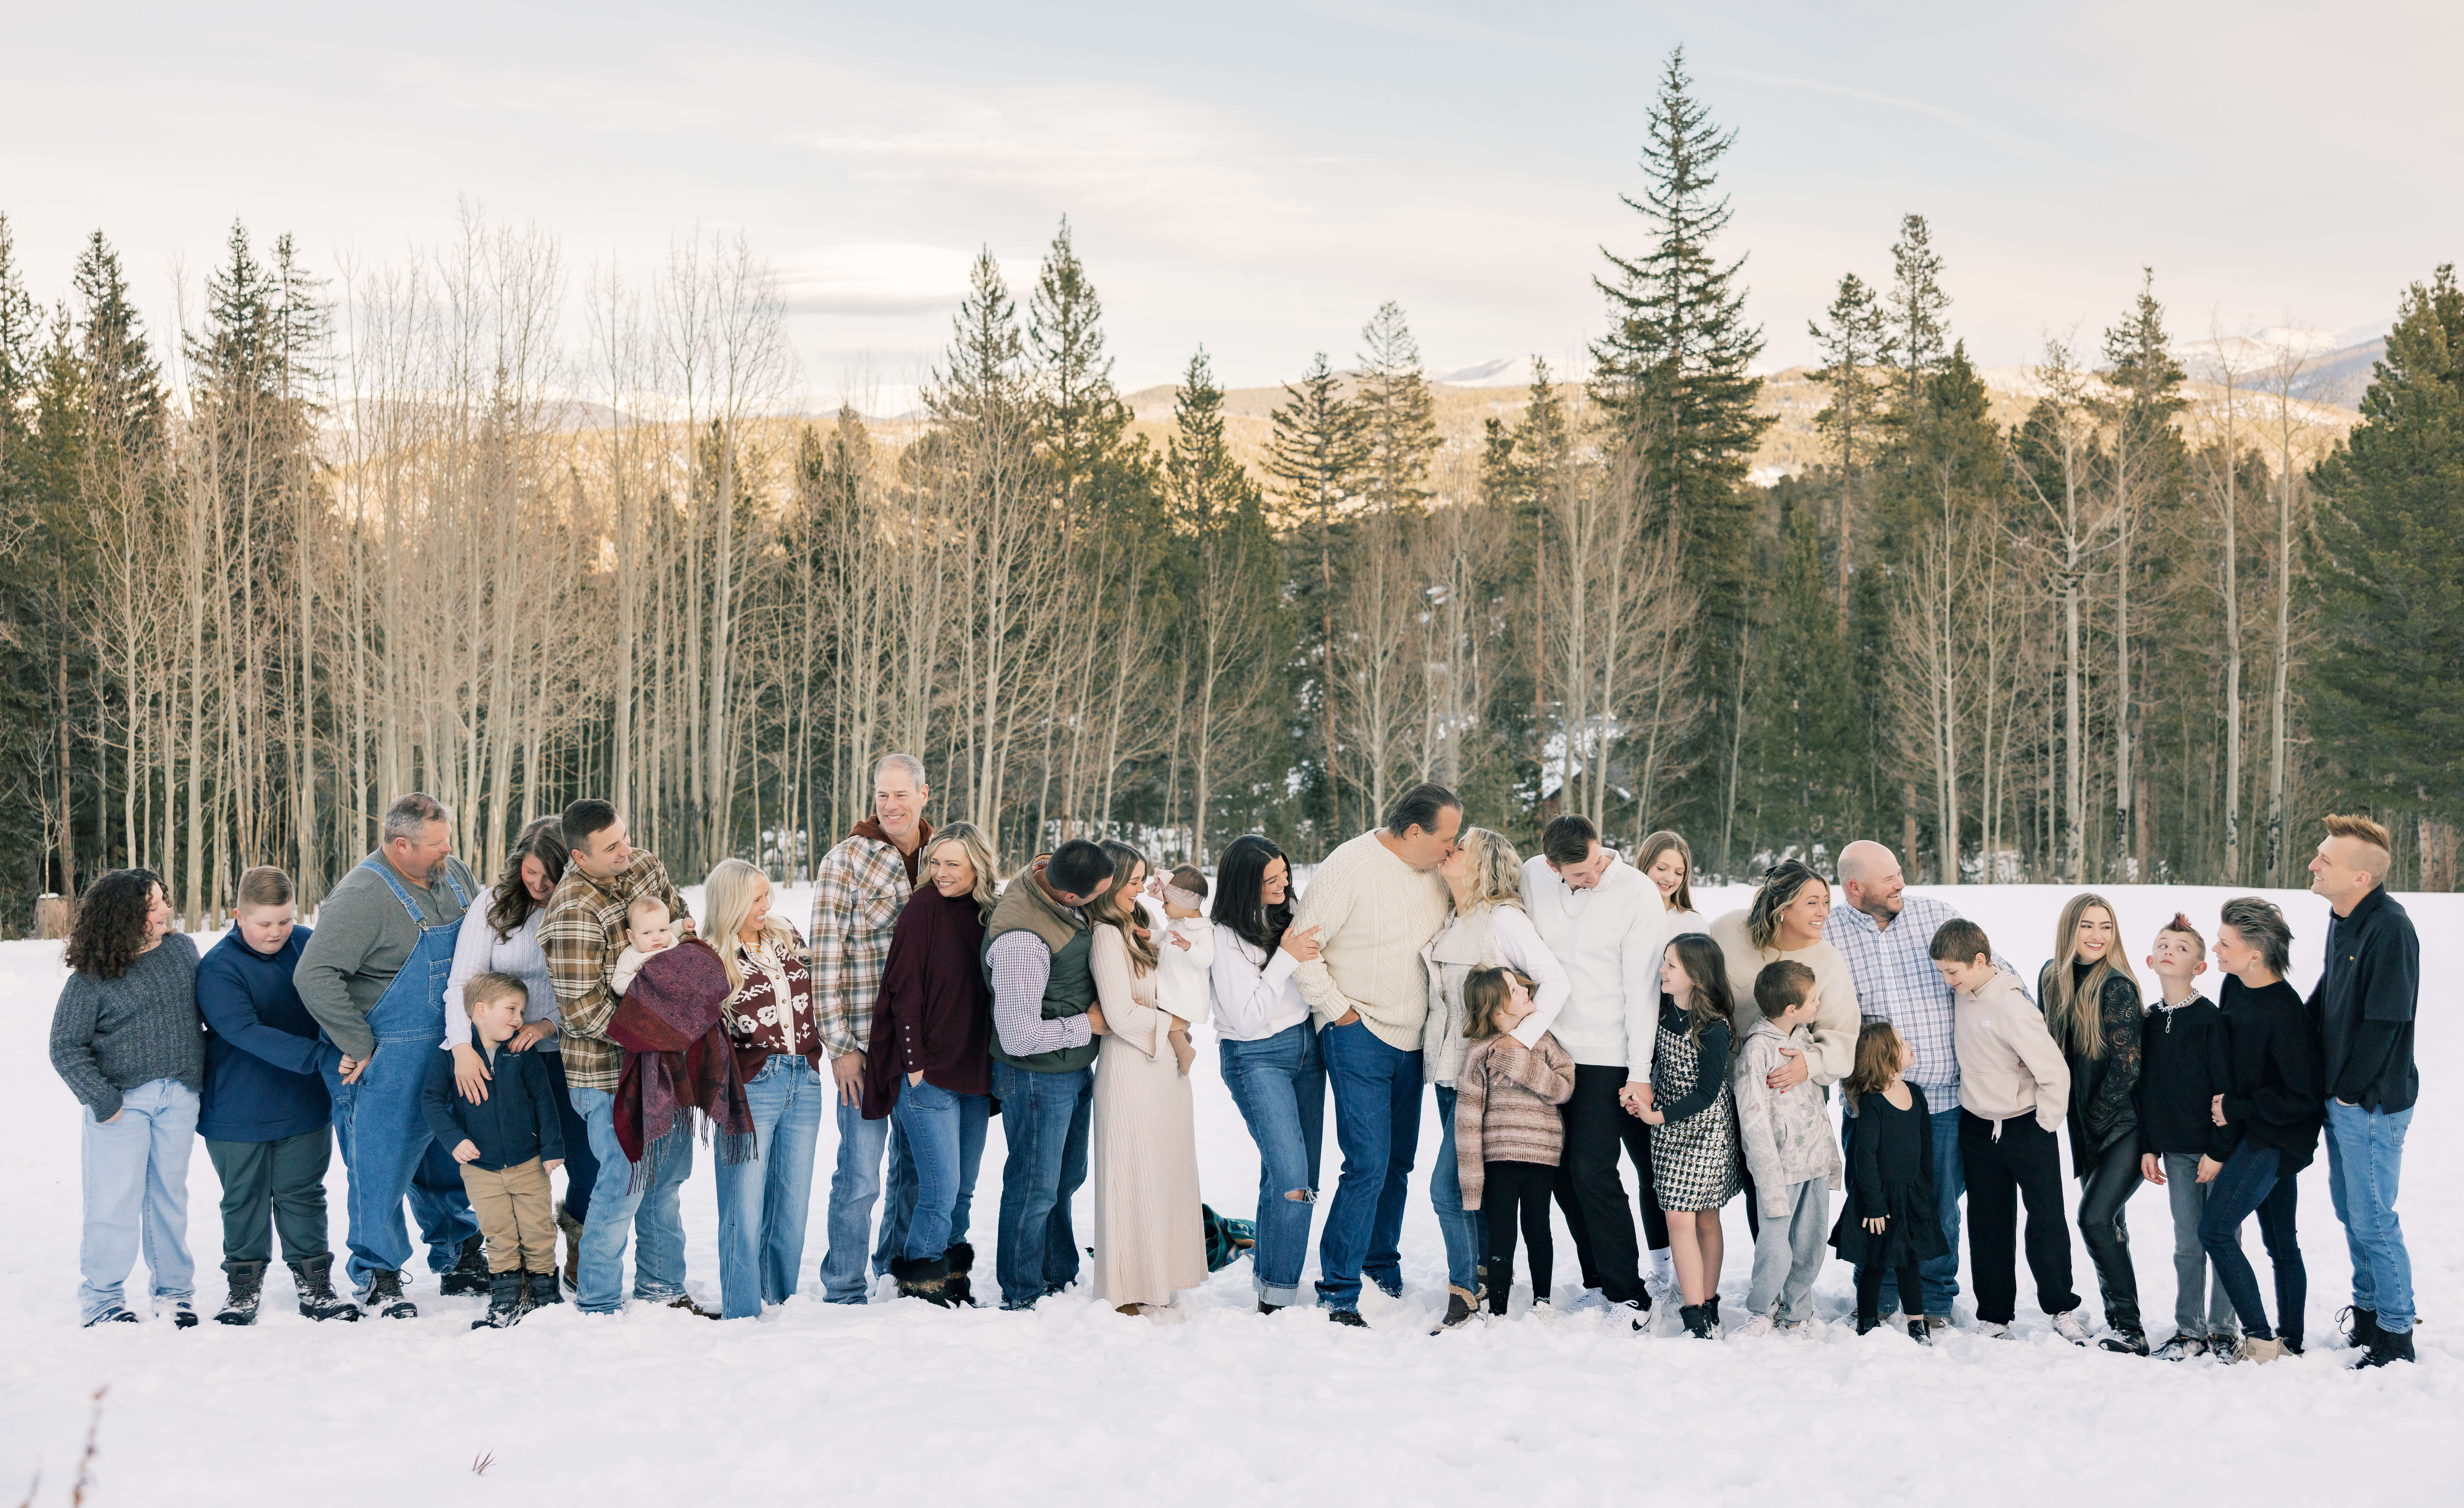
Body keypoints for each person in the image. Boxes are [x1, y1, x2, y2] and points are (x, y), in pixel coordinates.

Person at [294, 792, 485, 1316]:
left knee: (446, 1157)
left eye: (448, 837)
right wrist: (358, 1043)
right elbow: (313, 975)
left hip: (451, 1045)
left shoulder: (455, 874)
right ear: (402, 845)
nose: (450, 848)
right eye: (437, 842)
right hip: (387, 1055)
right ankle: (378, 1273)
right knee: (380, 1165)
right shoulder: (360, 897)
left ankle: (460, 1253)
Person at [1289, 782, 1459, 1325]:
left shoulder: (1435, 871)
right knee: (1365, 1162)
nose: (1451, 848)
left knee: (1396, 1162)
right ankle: (1338, 1286)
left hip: (1414, 1038)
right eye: (1445, 837)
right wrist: (1338, 1011)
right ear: (1413, 831)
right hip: (1357, 1031)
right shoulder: (1350, 866)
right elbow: (1301, 947)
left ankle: (1379, 1262)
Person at [540, 798, 706, 1318]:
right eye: (612, 846)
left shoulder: (644, 865)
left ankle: (662, 1286)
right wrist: (662, 1029)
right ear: (579, 856)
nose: (626, 850)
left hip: (667, 1069)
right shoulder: (571, 912)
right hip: (608, 1074)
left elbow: (676, 915)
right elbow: (585, 1009)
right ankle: (598, 1298)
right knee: (623, 1183)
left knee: (666, 1181)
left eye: (626, 836)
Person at [1826, 839, 1985, 1331]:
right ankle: (1878, 1294)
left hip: (1938, 1099)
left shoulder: (1935, 915)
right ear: (1856, 888)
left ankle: (1935, 1300)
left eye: (1900, 872)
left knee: (1937, 1204)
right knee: (1873, 1200)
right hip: (1871, 1103)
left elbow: (1990, 971)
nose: (1901, 883)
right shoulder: (1828, 933)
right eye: (1890, 877)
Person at [1520, 813, 1666, 1324]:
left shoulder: (1636, 892)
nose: (1593, 877)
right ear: (1551, 864)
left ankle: (1630, 1293)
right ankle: (1598, 1278)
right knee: (1559, 1173)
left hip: (1609, 1053)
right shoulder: (1532, 877)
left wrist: (1640, 1071)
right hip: (1550, 1049)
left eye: (1597, 862)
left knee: (1591, 1169)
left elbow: (1642, 991)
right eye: (1580, 874)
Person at [195, 866, 355, 1325]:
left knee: (302, 1193)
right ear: (238, 915)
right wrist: (323, 1057)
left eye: (284, 921)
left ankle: (316, 1284)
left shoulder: (308, 945)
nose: (276, 932)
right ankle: (243, 1287)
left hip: (303, 1102)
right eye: (264, 923)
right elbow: (244, 1030)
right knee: (243, 1196)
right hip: (237, 1106)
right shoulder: (219, 967)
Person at [1424, 826, 1570, 1330]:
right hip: (1448, 1074)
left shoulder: (1503, 920)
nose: (1451, 849)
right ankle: (1485, 1274)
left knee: (1446, 1191)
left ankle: (1464, 1290)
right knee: (1473, 1187)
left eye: (1461, 846)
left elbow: (1556, 980)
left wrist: (1521, 1041)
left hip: (1485, 1081)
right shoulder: (1452, 918)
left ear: (1482, 864)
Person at [49, 868, 203, 1328]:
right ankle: (102, 1300)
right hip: (122, 1106)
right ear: (126, 916)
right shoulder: (92, 977)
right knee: (113, 1202)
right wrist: (104, 1100)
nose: (164, 910)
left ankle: (174, 1293)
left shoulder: (182, 951)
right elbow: (64, 1047)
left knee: (169, 1198)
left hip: (179, 1096)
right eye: (153, 905)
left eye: (163, 900)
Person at [443, 818, 592, 1290]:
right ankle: (522, 1264)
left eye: (549, 876)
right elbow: (460, 985)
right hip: (507, 1060)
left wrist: (550, 1024)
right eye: (531, 873)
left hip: (570, 1052)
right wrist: (462, 1048)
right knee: (516, 1165)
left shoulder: (585, 905)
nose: (539, 885)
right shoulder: (493, 906)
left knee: (588, 1160)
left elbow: (599, 984)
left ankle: (579, 1239)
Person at [863, 822, 1000, 1307]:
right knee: (939, 1189)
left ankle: (951, 1274)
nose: (939, 873)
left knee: (962, 1190)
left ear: (978, 868)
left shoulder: (991, 915)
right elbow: (903, 990)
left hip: (975, 1075)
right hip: (928, 1078)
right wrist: (913, 1063)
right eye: (934, 863)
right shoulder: (922, 909)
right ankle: (920, 1283)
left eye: (952, 865)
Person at [813, 754, 933, 1304]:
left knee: (914, 1172)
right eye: (881, 795)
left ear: (923, 795)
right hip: (863, 1046)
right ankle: (842, 1285)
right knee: (859, 1175)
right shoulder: (846, 860)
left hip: (925, 1052)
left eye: (900, 794)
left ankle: (895, 1267)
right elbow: (825, 960)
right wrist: (839, 1047)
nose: (889, 805)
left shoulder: (942, 858)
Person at [1933, 918, 2085, 1342]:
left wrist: (2043, 1123)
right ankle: (1995, 1314)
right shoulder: (1965, 994)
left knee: (2046, 1221)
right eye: (1943, 972)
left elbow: (2054, 1072)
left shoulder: (2012, 1005)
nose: (1948, 982)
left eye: (1953, 972)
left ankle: (2060, 1307)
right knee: (1987, 1223)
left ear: (1980, 961)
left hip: (2026, 1127)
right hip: (1978, 1128)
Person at [2305, 813, 2420, 1367]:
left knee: (2373, 1217)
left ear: (2360, 878)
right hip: (2340, 1097)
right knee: (2351, 1211)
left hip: (2371, 1103)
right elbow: (2328, 991)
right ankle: (2369, 1313)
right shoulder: (2341, 917)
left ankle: (2396, 1332)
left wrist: (2348, 1092)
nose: (2313, 863)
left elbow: (2385, 1021)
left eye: (2325, 859)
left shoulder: (2390, 929)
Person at [985, 837, 1116, 1310]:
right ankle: (1022, 1292)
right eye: (1096, 895)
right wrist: (1090, 1025)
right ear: (1068, 897)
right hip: (1036, 1076)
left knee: (1064, 1179)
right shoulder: (1023, 939)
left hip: (1069, 1068)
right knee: (1033, 1186)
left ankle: (1058, 1273)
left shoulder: (1047, 873)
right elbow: (1019, 1035)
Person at [2199, 897, 2326, 1365]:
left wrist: (2236, 1107)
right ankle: (2290, 1339)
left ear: (2255, 954)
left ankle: (2261, 1340)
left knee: (2215, 1230)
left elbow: (2302, 1097)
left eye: (2225, 943)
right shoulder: (2234, 985)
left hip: (2278, 1137)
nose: (2217, 948)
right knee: (2280, 1242)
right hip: (2252, 1129)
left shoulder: (2287, 1016)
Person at [702, 858, 826, 1320]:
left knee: (792, 1202)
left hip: (804, 1079)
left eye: (766, 895)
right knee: (744, 1202)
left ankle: (782, 1302)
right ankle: (742, 1309)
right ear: (731, 901)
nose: (766, 905)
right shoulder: (711, 953)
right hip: (753, 1084)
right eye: (755, 898)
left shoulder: (786, 933)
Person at [1207, 835, 1326, 1315]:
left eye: (1284, 875)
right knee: (1293, 1180)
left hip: (1306, 1051)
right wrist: (1287, 959)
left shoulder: (1286, 911)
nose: (1282, 886)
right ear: (1243, 885)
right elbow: (1251, 1016)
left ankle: (1269, 1274)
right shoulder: (1225, 937)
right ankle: (1276, 1297)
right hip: (1255, 1056)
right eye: (1270, 881)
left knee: (1297, 1175)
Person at [1088, 841, 1207, 1314]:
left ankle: (1162, 1274)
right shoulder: (1105, 935)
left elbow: (1181, 971)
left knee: (1165, 1172)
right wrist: (1173, 1026)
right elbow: (1117, 1012)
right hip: (1131, 1067)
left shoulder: (1146, 923)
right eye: (1133, 880)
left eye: (1143, 879)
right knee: (1129, 1174)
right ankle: (1124, 1287)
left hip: (1166, 1069)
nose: (1141, 888)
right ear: (1111, 883)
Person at [421, 973, 566, 1328]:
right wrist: (454, 1139)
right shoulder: (451, 1055)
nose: (519, 1018)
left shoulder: (522, 1053)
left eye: (522, 1010)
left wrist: (552, 1148)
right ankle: (506, 1295)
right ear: (481, 1010)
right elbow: (432, 1101)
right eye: (512, 1009)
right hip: (480, 1167)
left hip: (528, 1160)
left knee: (537, 1227)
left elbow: (545, 1101)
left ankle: (545, 1291)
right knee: (498, 1231)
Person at [2038, 892, 2148, 1352]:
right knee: (2110, 1223)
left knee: (2094, 1219)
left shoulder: (2116, 985)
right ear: (2070, 930)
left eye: (2106, 926)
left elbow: (2128, 1065)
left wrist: (2097, 1121)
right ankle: (2120, 1320)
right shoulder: (2053, 977)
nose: (2097, 936)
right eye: (2087, 925)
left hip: (2123, 1124)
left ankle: (2131, 1329)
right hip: (2084, 1127)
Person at [2134, 913, 2238, 1361]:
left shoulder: (2211, 1020)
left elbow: (2225, 1089)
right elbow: (2148, 1091)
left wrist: (2218, 1151)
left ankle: (2222, 1329)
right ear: (2149, 959)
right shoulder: (2150, 1020)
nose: (2169, 951)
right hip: (2175, 1153)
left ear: (2199, 967)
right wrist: (2148, 1145)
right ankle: (2189, 1330)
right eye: (2162, 944)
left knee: (2224, 1239)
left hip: (2218, 1153)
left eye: (2181, 948)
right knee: (2187, 1243)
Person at [1451, 967, 1576, 1321]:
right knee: (1501, 1234)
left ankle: (1542, 1301)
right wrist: (1471, 1181)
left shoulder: (1545, 1041)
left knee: (1538, 1228)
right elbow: (1468, 1119)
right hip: (1499, 1158)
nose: (1525, 988)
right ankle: (1500, 1309)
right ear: (1497, 1010)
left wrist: (1521, 1065)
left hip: (1542, 1155)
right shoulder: (1479, 1052)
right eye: (1513, 987)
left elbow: (1564, 1088)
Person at [1634, 932, 1739, 1339]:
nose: (1662, 970)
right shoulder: (1659, 1013)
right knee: (1680, 1216)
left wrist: (1658, 1115)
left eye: (1671, 965)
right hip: (1667, 1128)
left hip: (1704, 1129)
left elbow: (1707, 1093)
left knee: (1703, 1217)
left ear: (1696, 974)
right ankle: (1696, 1310)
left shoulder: (1712, 1028)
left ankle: (1702, 1310)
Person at [1733, 960, 1844, 1336]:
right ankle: (1762, 1308)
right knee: (1775, 1247)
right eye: (1813, 999)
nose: (1818, 1004)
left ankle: (1798, 1310)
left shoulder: (1803, 1038)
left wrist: (1830, 1159)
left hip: (1812, 1161)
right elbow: (1752, 1117)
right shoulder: (1756, 1051)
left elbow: (1816, 1104)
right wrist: (1766, 1174)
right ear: (1790, 1008)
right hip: (1779, 1168)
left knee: (1811, 1244)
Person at [1830, 1022, 1945, 1344]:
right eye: (1900, 1041)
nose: (1908, 1043)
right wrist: (1875, 1203)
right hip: (1880, 1198)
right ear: (1886, 1055)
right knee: (1876, 1261)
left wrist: (1922, 1190)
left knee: (1910, 1260)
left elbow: (1925, 1149)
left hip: (1910, 1194)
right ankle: (1866, 1321)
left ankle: (1916, 1323)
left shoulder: (1916, 1094)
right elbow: (1864, 1157)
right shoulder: (1873, 1103)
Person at [1152, 866, 1214, 1062]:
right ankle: (1183, 1043)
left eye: (1167, 902)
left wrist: (1189, 948)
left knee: (1169, 1021)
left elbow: (1206, 960)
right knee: (1167, 1020)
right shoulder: (1177, 923)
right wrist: (1151, 935)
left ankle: (1185, 1051)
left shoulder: (1203, 930)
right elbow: (1167, 938)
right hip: (1172, 984)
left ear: (1185, 902)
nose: (1163, 907)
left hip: (1184, 990)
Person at [609, 895, 679, 995]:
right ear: (632, 937)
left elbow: (672, 932)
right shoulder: (632, 956)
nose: (657, 938)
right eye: (647, 933)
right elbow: (618, 986)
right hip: (658, 995)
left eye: (662, 930)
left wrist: (682, 926)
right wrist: (643, 975)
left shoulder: (668, 939)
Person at [1637, 830, 1704, 932]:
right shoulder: (1621, 914)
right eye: (1661, 868)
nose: (1670, 879)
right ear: (1644, 864)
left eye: (1679, 873)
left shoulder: (1694, 924)